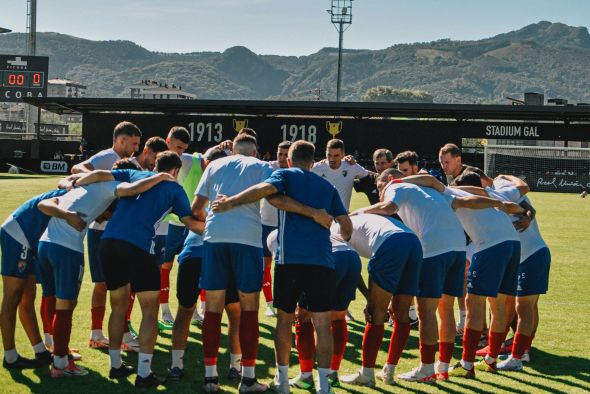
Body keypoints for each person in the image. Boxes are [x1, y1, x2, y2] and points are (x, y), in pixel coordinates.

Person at [210, 139, 352, 394]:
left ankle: (283, 382)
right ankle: (323, 387)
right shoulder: (327, 186)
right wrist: (332, 225)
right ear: (312, 162)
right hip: (322, 261)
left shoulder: (283, 174)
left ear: (289, 160)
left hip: (290, 260)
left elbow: (264, 190)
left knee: (284, 321)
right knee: (322, 324)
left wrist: (230, 202)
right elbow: (347, 227)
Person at [36, 161, 172, 378]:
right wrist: (160, 177)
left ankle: (55, 351)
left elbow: (49, 201)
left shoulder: (83, 186)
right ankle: (60, 364)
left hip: (45, 243)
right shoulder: (112, 186)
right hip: (67, 246)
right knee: (66, 305)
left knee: (51, 297)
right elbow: (134, 189)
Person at [397, 172, 525, 379]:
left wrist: (399, 180)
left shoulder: (450, 191)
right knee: (499, 304)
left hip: (491, 245)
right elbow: (523, 190)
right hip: (513, 243)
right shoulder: (494, 192)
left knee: (473, 303)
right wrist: (525, 212)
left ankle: (466, 364)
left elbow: (431, 181)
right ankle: (491, 360)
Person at [97, 151, 203, 388]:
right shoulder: (175, 189)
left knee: (118, 307)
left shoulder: (136, 174)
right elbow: (190, 223)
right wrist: (217, 230)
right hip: (138, 247)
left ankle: (116, 366)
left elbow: (103, 176)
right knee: (149, 309)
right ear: (175, 171)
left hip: (108, 242)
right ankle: (144, 373)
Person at [192, 133, 274, 393]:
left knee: (213, 307)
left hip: (214, 237)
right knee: (249, 307)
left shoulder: (214, 165)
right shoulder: (262, 166)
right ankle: (247, 378)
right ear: (255, 151)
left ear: (234, 149)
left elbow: (196, 207)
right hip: (247, 239)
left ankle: (210, 379)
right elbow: (273, 198)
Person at [453, 171, 549, 370]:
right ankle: (506, 353)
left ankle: (519, 355)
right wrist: (527, 213)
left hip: (530, 254)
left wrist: (505, 177)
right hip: (520, 254)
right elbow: (521, 199)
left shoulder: (496, 189)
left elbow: (523, 188)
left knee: (523, 307)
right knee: (514, 306)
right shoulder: (496, 194)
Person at [70, 121, 142, 350]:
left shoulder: (129, 163)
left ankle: (119, 333)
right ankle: (97, 333)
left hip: (117, 231)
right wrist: (99, 179)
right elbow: (76, 170)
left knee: (121, 285)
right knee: (102, 284)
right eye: (133, 143)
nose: (135, 149)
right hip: (99, 231)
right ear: (121, 140)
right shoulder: (106, 157)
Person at [338, 214, 422, 388]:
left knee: (375, 313)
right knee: (402, 314)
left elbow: (352, 266)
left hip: (390, 243)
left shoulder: (334, 230)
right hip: (413, 241)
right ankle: (389, 371)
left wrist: (369, 297)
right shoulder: (356, 219)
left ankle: (367, 374)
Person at [1, 189, 68, 370]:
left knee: (27, 298)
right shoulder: (74, 192)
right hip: (19, 234)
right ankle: (10, 357)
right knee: (12, 297)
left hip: (28, 237)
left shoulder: (77, 188)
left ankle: (40, 351)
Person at [159, 126, 194, 327]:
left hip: (183, 222)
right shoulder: (156, 160)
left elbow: (206, 157)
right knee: (165, 265)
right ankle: (164, 310)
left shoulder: (189, 160)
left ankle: (192, 310)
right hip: (165, 225)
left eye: (183, 149)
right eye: (177, 147)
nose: (179, 152)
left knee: (188, 264)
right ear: (168, 140)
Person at [260, 141, 291, 317]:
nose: (281, 158)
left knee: (285, 264)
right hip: (266, 223)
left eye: (285, 155)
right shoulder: (267, 167)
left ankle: (284, 302)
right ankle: (270, 304)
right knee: (266, 264)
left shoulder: (297, 171)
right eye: (279, 154)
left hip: (286, 223)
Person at [312, 139, 370, 211]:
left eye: (336, 155)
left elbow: (370, 175)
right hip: (322, 217)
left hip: (342, 218)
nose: (332, 159)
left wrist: (355, 163)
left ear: (343, 155)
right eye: (329, 155)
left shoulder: (351, 166)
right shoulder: (317, 167)